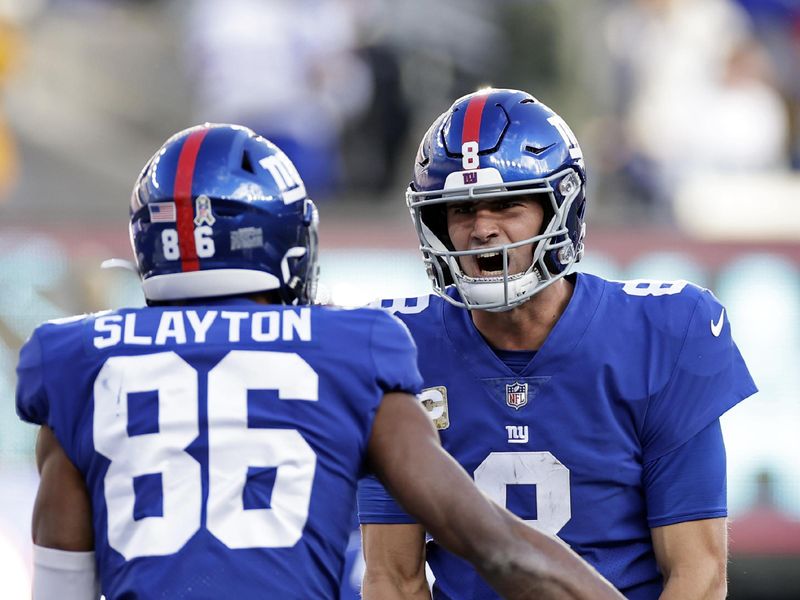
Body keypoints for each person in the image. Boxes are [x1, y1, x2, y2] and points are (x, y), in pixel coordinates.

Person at [16, 123, 623, 600]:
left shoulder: (76, 362)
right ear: (287, 242)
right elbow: (497, 547)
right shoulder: (349, 348)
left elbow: (61, 586)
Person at [358, 88, 758, 600]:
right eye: (461, 209)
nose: (482, 229)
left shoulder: (662, 332)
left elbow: (698, 576)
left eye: (506, 205)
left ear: (559, 211)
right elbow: (392, 578)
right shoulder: (396, 347)